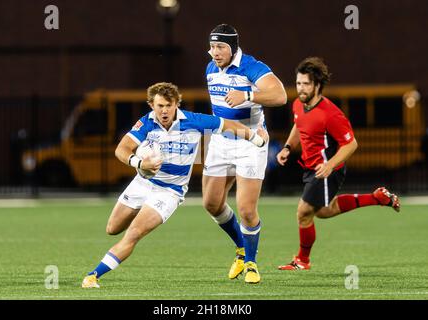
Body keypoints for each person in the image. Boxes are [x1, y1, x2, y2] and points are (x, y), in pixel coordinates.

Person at [81, 82, 268, 288]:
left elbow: (228, 125)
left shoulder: (194, 121)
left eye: (169, 105)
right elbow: (122, 149)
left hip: (169, 192)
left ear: (177, 104)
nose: (164, 111)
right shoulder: (146, 123)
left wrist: (256, 139)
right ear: (151, 105)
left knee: (134, 233)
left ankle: (93, 276)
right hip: (142, 183)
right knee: (112, 228)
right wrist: (140, 163)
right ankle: (241, 244)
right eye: (160, 106)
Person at [276, 57, 401, 271]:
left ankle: (302, 261)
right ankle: (377, 198)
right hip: (310, 167)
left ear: (317, 85)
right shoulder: (298, 104)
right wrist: (288, 147)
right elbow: (298, 125)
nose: (301, 88)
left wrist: (330, 165)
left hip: (327, 169)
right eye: (298, 83)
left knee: (304, 212)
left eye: (306, 84)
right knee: (324, 211)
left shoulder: (330, 113)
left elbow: (351, 144)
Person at [202, 23, 287, 284]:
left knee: (246, 210)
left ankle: (251, 262)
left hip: (250, 142)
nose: (215, 52)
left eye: (221, 47)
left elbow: (280, 95)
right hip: (219, 140)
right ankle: (241, 248)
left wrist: (248, 94)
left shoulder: (251, 66)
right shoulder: (210, 68)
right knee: (211, 203)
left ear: (233, 47)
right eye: (212, 46)